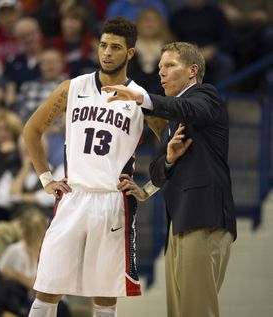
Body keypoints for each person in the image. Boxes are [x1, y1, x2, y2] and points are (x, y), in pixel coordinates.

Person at [23, 17, 167, 317]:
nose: (107, 53)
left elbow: (173, 148)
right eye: (103, 45)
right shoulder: (72, 88)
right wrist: (46, 178)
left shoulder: (141, 99)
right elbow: (31, 130)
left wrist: (149, 187)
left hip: (112, 202)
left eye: (115, 47)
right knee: (46, 289)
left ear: (130, 53)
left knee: (104, 299)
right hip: (73, 197)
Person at [102, 41, 237, 317]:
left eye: (170, 66)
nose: (161, 73)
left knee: (197, 311)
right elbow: (155, 170)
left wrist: (143, 99)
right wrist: (170, 159)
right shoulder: (173, 120)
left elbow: (192, 109)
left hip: (204, 217)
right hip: (180, 222)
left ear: (192, 70)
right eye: (160, 67)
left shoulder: (205, 95)